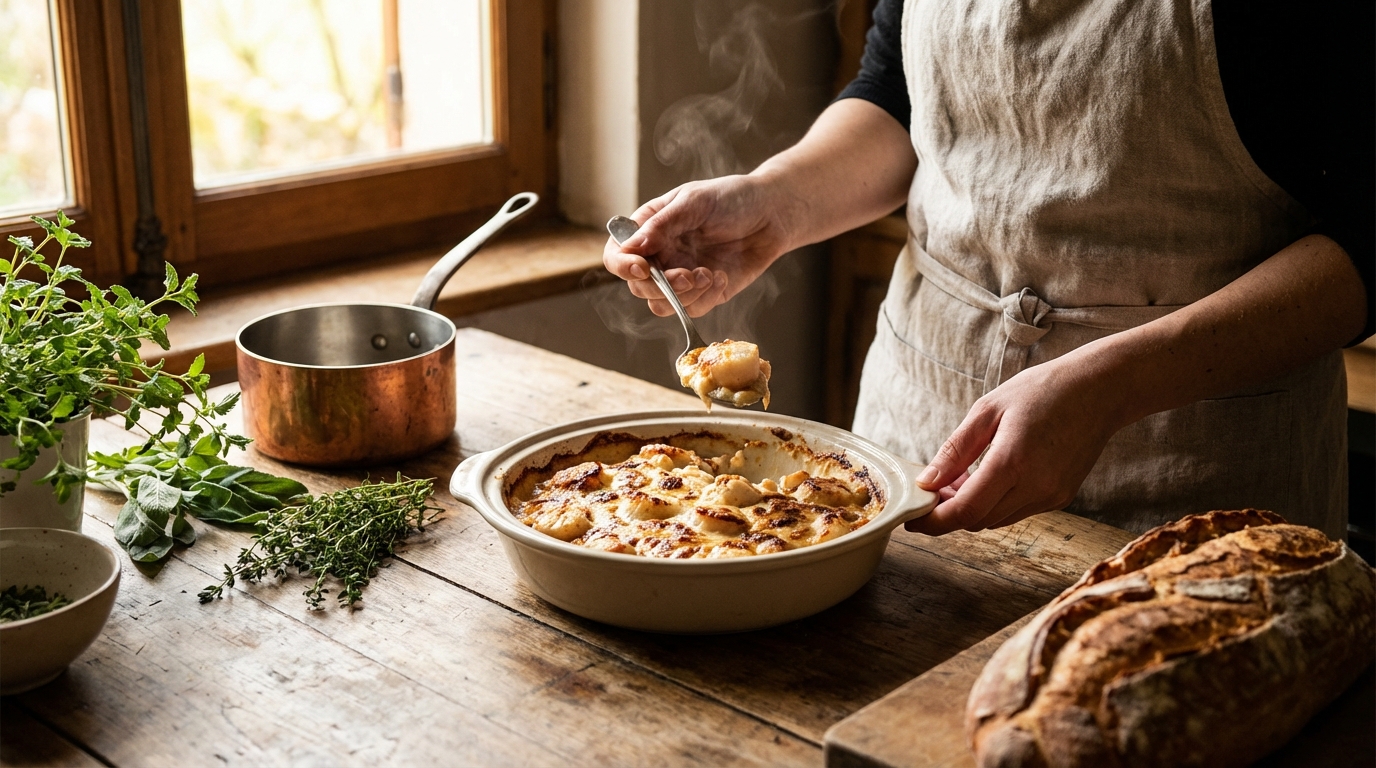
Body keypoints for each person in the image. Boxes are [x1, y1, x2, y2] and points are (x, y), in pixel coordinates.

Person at [602, 0, 1374, 540]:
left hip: (1195, 464)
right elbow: (901, 95)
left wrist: (1113, 386)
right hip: (919, 415)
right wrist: (776, 202)